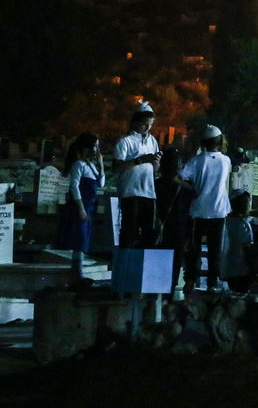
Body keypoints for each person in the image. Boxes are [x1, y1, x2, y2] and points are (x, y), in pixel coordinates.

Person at [179, 124, 232, 292]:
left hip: (198, 210)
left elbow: (178, 177)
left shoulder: (196, 161)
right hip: (219, 210)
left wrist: (192, 188)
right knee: (215, 249)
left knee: (193, 248)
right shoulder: (226, 160)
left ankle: (190, 280)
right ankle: (212, 283)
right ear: (220, 141)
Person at [55, 133, 104, 284]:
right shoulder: (79, 164)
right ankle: (76, 272)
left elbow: (101, 183)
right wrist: (81, 208)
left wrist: (101, 165)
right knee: (79, 240)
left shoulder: (91, 165)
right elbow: (74, 186)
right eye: (95, 146)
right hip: (80, 205)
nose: (97, 149)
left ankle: (77, 272)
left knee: (84, 240)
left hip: (89, 206)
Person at [112, 100, 161, 248]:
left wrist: (156, 162)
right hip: (130, 192)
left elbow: (155, 169)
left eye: (150, 125)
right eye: (144, 124)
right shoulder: (125, 141)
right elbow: (116, 167)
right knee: (129, 229)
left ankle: (142, 259)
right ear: (135, 122)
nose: (147, 128)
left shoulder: (152, 141)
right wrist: (139, 160)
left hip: (149, 192)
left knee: (148, 232)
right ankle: (125, 258)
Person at [154, 146, 194, 296]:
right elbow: (190, 212)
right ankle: (170, 292)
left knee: (158, 264)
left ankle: (158, 294)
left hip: (160, 230)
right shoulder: (185, 187)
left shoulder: (156, 184)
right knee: (175, 264)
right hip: (179, 229)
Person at [220, 189, 255, 293]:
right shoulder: (244, 224)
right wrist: (252, 267)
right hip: (241, 269)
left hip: (226, 268)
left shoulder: (223, 222)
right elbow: (247, 247)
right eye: (247, 203)